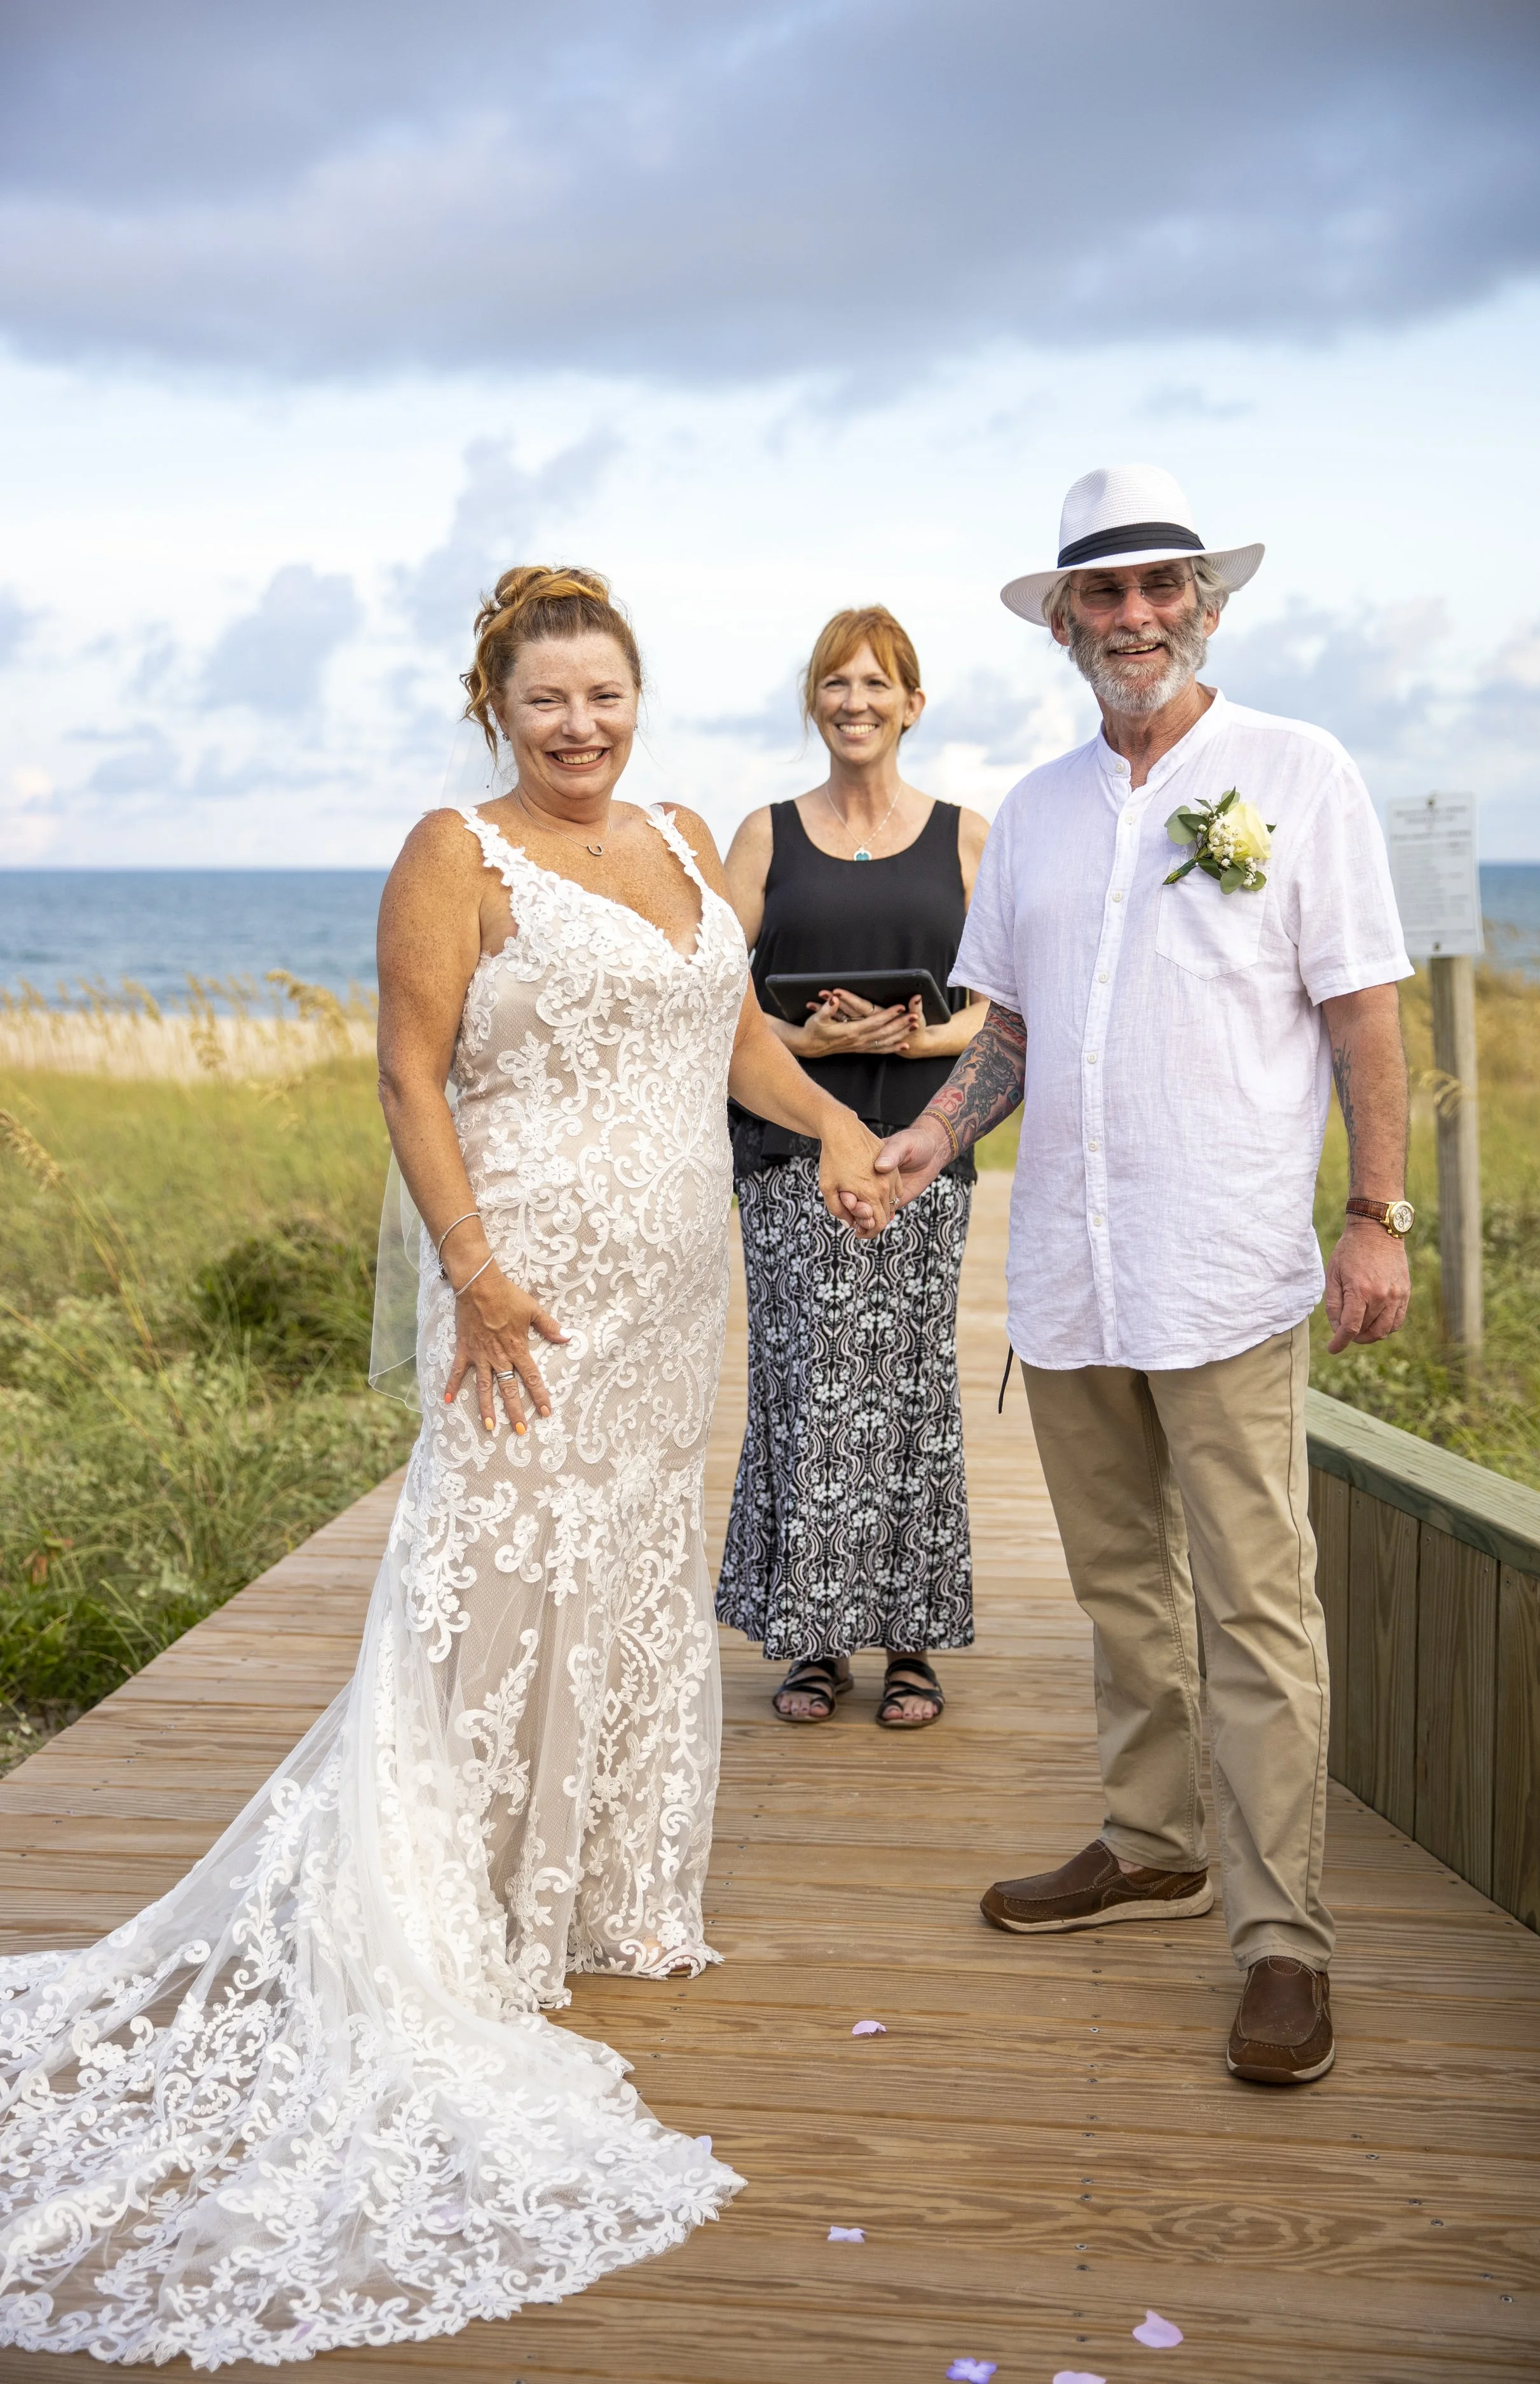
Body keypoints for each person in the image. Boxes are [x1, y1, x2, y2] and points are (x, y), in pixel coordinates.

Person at [0, 566, 898, 2365]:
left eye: (607, 693)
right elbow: (412, 1080)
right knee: (488, 1579)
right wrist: (476, 1275)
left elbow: (725, 1032)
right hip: (524, 1293)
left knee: (636, 1563)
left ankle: (593, 1890)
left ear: (640, 698)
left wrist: (837, 1132)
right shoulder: (452, 853)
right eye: (548, 700)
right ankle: (448, 1913)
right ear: (494, 707)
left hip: (669, 1297)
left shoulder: (668, 832)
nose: (583, 726)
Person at [876, 466, 1414, 2086]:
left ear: (1203, 601)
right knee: (1122, 1594)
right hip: (1069, 1272)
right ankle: (1149, 1842)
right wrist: (926, 1141)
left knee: (1255, 1604)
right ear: (1060, 623)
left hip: (1228, 1263)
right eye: (1098, 596)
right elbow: (1015, 1034)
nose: (1131, 618)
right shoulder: (1033, 810)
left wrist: (1376, 1213)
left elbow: (1363, 1013)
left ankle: (1279, 1937)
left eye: (1156, 587)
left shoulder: (1297, 775)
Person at [717, 607, 990, 1729]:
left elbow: (1009, 1001)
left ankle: (912, 1639)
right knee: (806, 1382)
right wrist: (812, 1046)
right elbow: (707, 998)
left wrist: (918, 1041)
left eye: (878, 684)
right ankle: (814, 1637)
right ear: (814, 704)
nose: (856, 702)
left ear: (913, 705)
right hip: (787, 1153)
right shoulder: (764, 835)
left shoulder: (969, 834)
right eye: (836, 683)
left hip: (922, 1153)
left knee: (911, 1386)